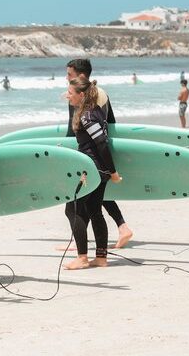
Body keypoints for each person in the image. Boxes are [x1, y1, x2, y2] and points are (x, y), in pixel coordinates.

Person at [65, 59, 134, 249]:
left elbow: (76, 125)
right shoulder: (99, 92)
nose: (67, 78)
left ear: (80, 76)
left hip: (90, 152)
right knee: (94, 203)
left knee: (81, 204)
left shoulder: (82, 95)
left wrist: (68, 148)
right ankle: (94, 240)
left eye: (69, 74)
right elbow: (111, 122)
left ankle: (84, 245)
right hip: (98, 152)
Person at [63, 77, 121, 270]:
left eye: (70, 93)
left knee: (73, 210)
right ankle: (101, 257)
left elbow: (101, 143)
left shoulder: (87, 115)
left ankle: (82, 257)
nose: (67, 96)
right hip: (98, 168)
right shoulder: (93, 112)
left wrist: (112, 172)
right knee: (95, 211)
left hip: (92, 169)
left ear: (81, 95)